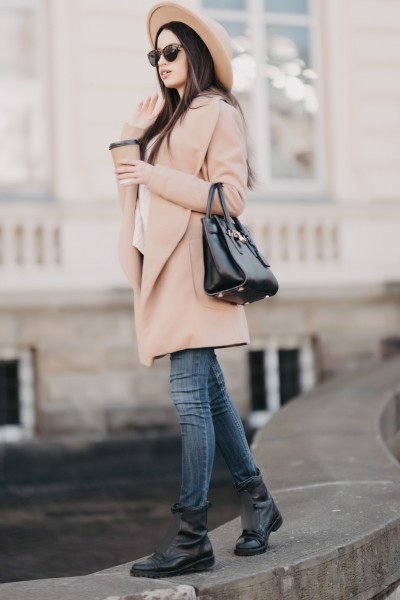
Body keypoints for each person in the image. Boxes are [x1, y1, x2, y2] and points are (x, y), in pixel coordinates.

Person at [112, 1, 282, 579]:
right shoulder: (170, 117)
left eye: (171, 51)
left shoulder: (217, 112)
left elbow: (229, 197)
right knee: (209, 397)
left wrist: (152, 171)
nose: (160, 62)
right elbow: (134, 196)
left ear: (196, 52)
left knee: (190, 401)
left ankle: (191, 534)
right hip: (165, 270)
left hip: (193, 274)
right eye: (154, 54)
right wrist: (131, 139)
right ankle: (257, 501)